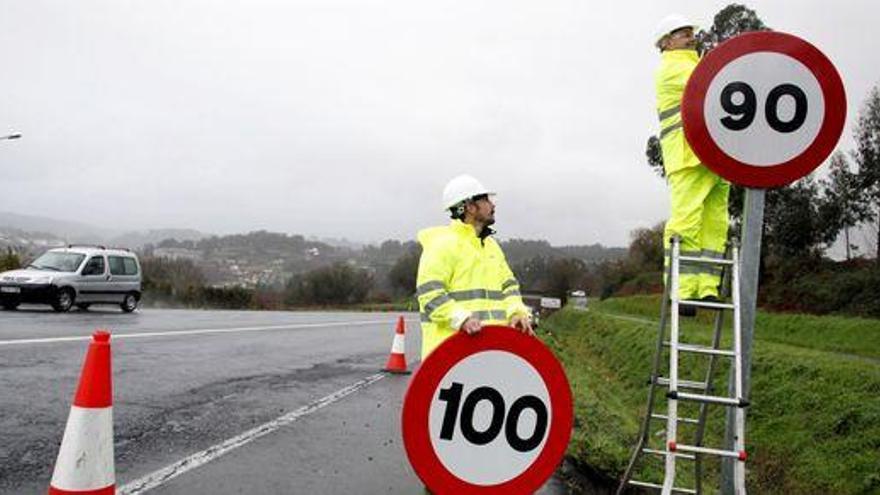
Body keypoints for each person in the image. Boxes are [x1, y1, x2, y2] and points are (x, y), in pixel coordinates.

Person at [654, 14, 730, 315]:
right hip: (687, 155)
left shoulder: (697, 65)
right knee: (686, 222)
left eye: (689, 32)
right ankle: (681, 290)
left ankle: (706, 288)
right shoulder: (672, 70)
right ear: (666, 42)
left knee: (715, 224)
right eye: (682, 33)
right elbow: (712, 89)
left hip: (714, 155)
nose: (690, 36)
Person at [415, 174, 534, 359]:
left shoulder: (492, 247)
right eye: (486, 199)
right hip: (450, 358)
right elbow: (430, 296)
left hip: (491, 354)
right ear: (470, 207)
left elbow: (509, 287)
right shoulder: (441, 245)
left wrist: (517, 313)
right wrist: (462, 319)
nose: (493, 205)